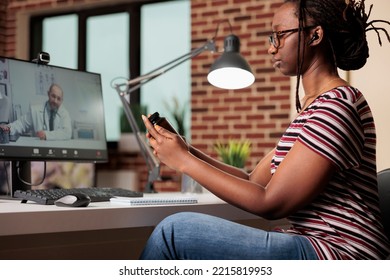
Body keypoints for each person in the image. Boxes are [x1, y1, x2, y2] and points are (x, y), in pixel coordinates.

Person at [140, 0, 390, 260]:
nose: (272, 48)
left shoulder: (337, 106)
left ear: (315, 35)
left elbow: (270, 202)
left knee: (174, 232)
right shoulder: (315, 110)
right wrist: (186, 149)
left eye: (280, 36)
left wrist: (183, 161)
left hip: (343, 254)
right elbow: (252, 181)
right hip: (317, 245)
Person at [0, 83, 72, 140]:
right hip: (39, 151)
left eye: (59, 99)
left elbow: (67, 133)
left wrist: (46, 135)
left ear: (62, 100)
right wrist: (8, 128)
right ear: (48, 94)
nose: (55, 101)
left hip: (58, 152)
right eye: (53, 96)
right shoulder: (36, 110)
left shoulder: (64, 113)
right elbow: (20, 124)